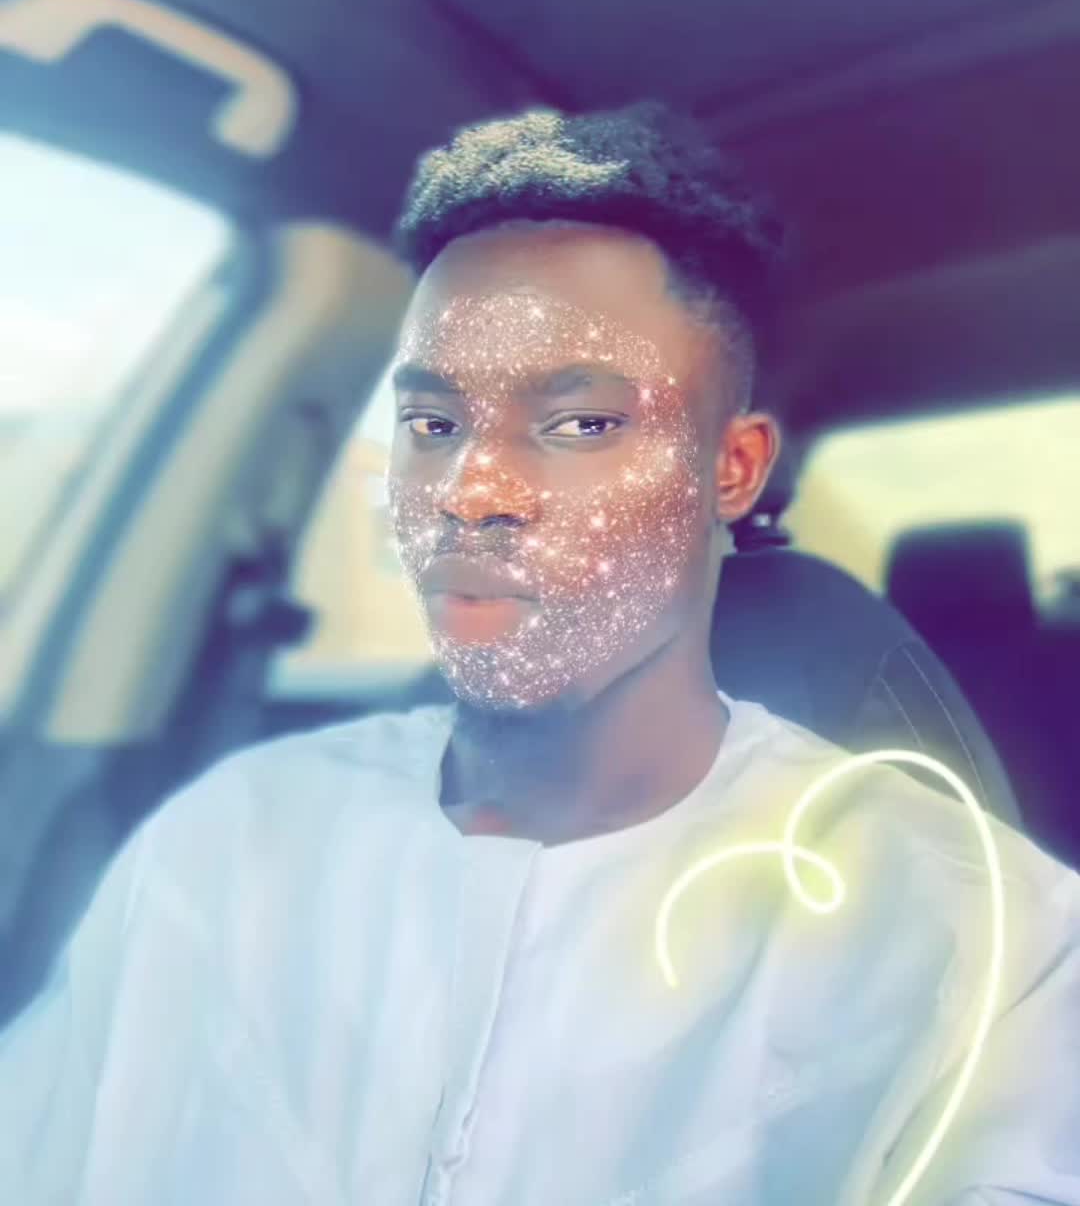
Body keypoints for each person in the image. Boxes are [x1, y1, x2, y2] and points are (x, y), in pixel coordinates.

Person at [2, 100, 1079, 1205]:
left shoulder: (974, 949)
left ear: (732, 469)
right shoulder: (225, 845)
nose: (470, 492)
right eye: (433, 425)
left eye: (582, 424)